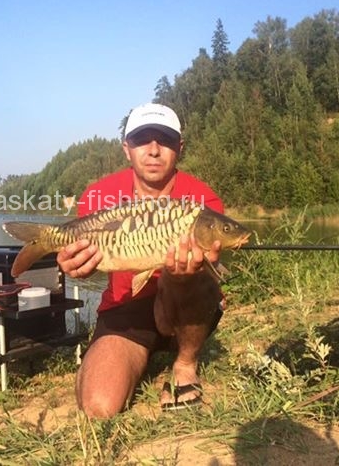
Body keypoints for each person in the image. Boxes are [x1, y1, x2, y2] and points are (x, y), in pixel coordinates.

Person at [56, 103, 225, 419]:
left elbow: (217, 273)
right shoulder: (98, 196)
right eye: (142, 140)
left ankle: (186, 363)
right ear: (126, 149)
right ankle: (118, 359)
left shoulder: (203, 200)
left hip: (185, 304)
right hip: (126, 307)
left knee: (191, 276)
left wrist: (192, 273)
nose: (154, 150)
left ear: (180, 148)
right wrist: (74, 267)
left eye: (165, 140)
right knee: (99, 405)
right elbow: (87, 258)